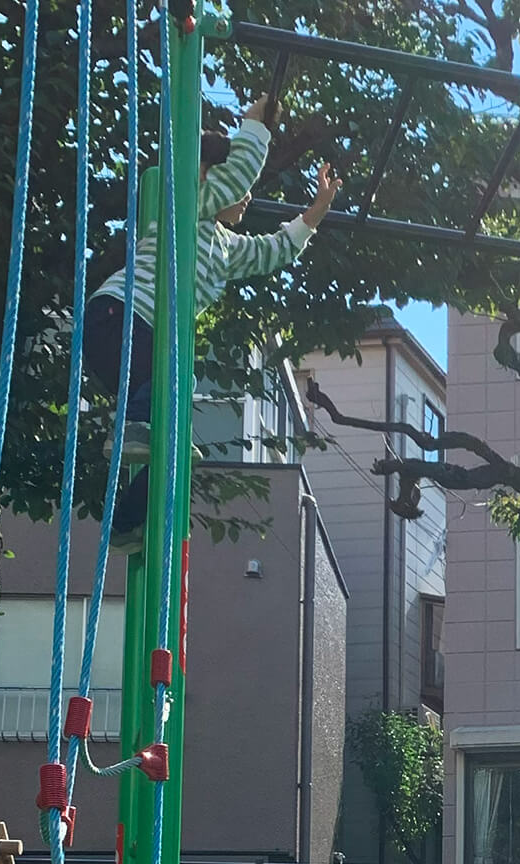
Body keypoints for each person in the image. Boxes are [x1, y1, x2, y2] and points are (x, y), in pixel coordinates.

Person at [85, 93, 340, 551]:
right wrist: (256, 123)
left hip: (136, 338)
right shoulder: (186, 204)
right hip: (121, 316)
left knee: (179, 446)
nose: (245, 198)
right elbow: (238, 173)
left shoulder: (223, 246)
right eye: (235, 188)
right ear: (206, 174)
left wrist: (318, 208)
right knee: (168, 383)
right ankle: (132, 429)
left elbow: (274, 250)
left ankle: (124, 525)